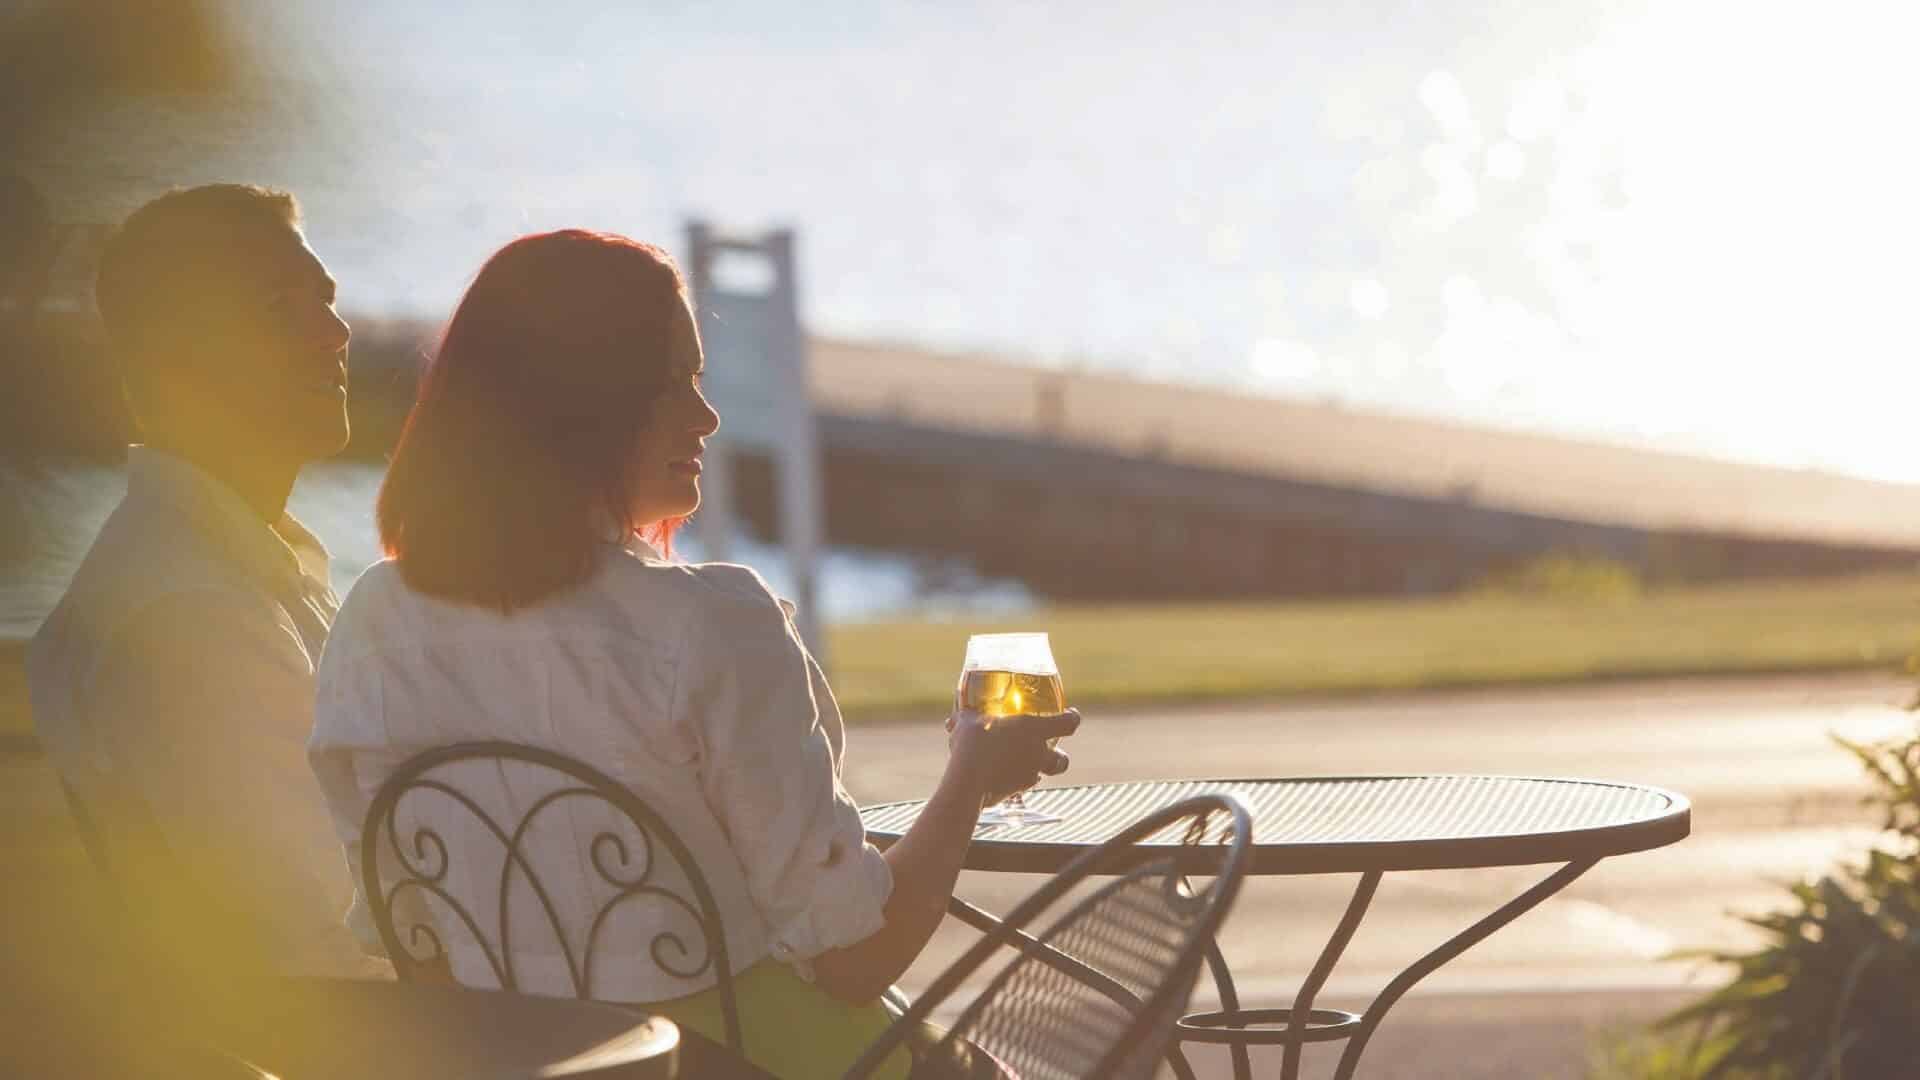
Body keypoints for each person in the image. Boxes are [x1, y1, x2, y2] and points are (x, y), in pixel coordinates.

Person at [309, 230, 1075, 1080]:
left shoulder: (374, 623)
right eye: (670, 384)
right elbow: (854, 960)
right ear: (581, 405)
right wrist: (970, 772)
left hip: (508, 1063)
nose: (706, 417)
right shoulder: (708, 628)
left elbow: (399, 926)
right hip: (742, 1062)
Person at [27, 184, 382, 983]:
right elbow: (323, 947)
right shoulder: (190, 617)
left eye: (326, 300)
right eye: (278, 307)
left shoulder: (227, 568)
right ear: (179, 354)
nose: (335, 332)